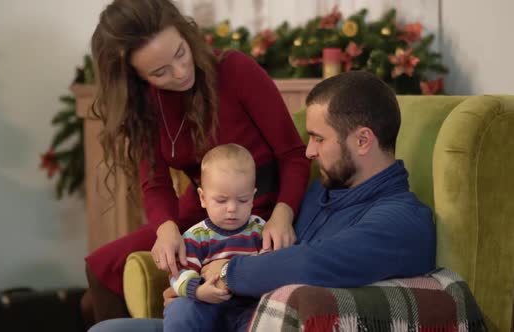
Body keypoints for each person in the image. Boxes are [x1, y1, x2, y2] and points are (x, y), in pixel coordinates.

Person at [87, 71, 437, 332]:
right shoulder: (319, 193)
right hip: (227, 316)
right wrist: (194, 290)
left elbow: (312, 264)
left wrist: (225, 273)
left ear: (363, 141)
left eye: (318, 138)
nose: (309, 151)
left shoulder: (402, 221)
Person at [83, 0, 310, 325]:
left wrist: (282, 216)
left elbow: (292, 155)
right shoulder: (145, 104)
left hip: (257, 209)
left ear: (186, 35)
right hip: (200, 212)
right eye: (160, 72)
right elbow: (156, 183)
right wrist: (166, 230)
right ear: (135, 76)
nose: (180, 72)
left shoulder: (236, 70)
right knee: (100, 270)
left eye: (180, 53)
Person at [167, 143, 270, 331]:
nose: (232, 208)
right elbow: (179, 273)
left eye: (243, 200)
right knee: (180, 309)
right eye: (221, 200)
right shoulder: (195, 236)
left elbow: (271, 267)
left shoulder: (261, 230)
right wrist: (198, 291)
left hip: (248, 308)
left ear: (253, 197)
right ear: (203, 198)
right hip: (206, 304)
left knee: (265, 318)